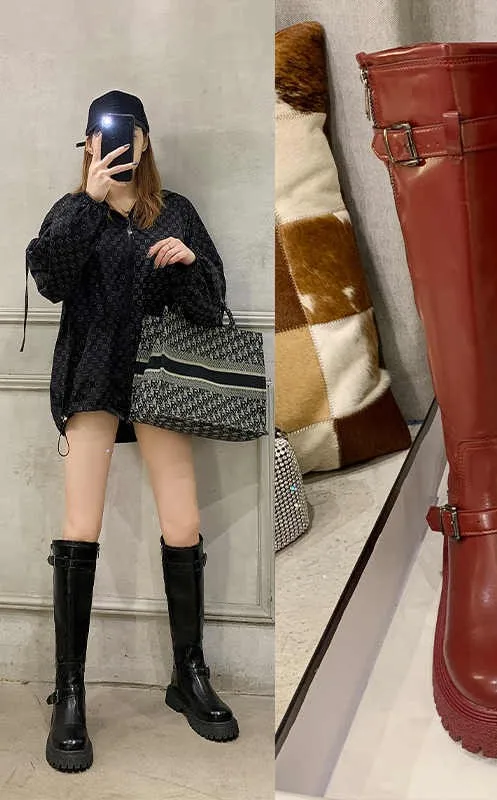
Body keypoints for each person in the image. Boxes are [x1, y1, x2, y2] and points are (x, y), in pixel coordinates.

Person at [24, 90, 239, 773]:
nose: (115, 143)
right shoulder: (72, 210)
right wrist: (88, 204)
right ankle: (70, 690)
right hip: (93, 375)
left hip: (159, 376)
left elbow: (212, 307)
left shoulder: (174, 211)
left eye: (126, 133)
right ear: (88, 143)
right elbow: (50, 280)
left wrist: (190, 265)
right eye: (101, 133)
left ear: (144, 141)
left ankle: (188, 674)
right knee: (79, 527)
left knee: (183, 522)